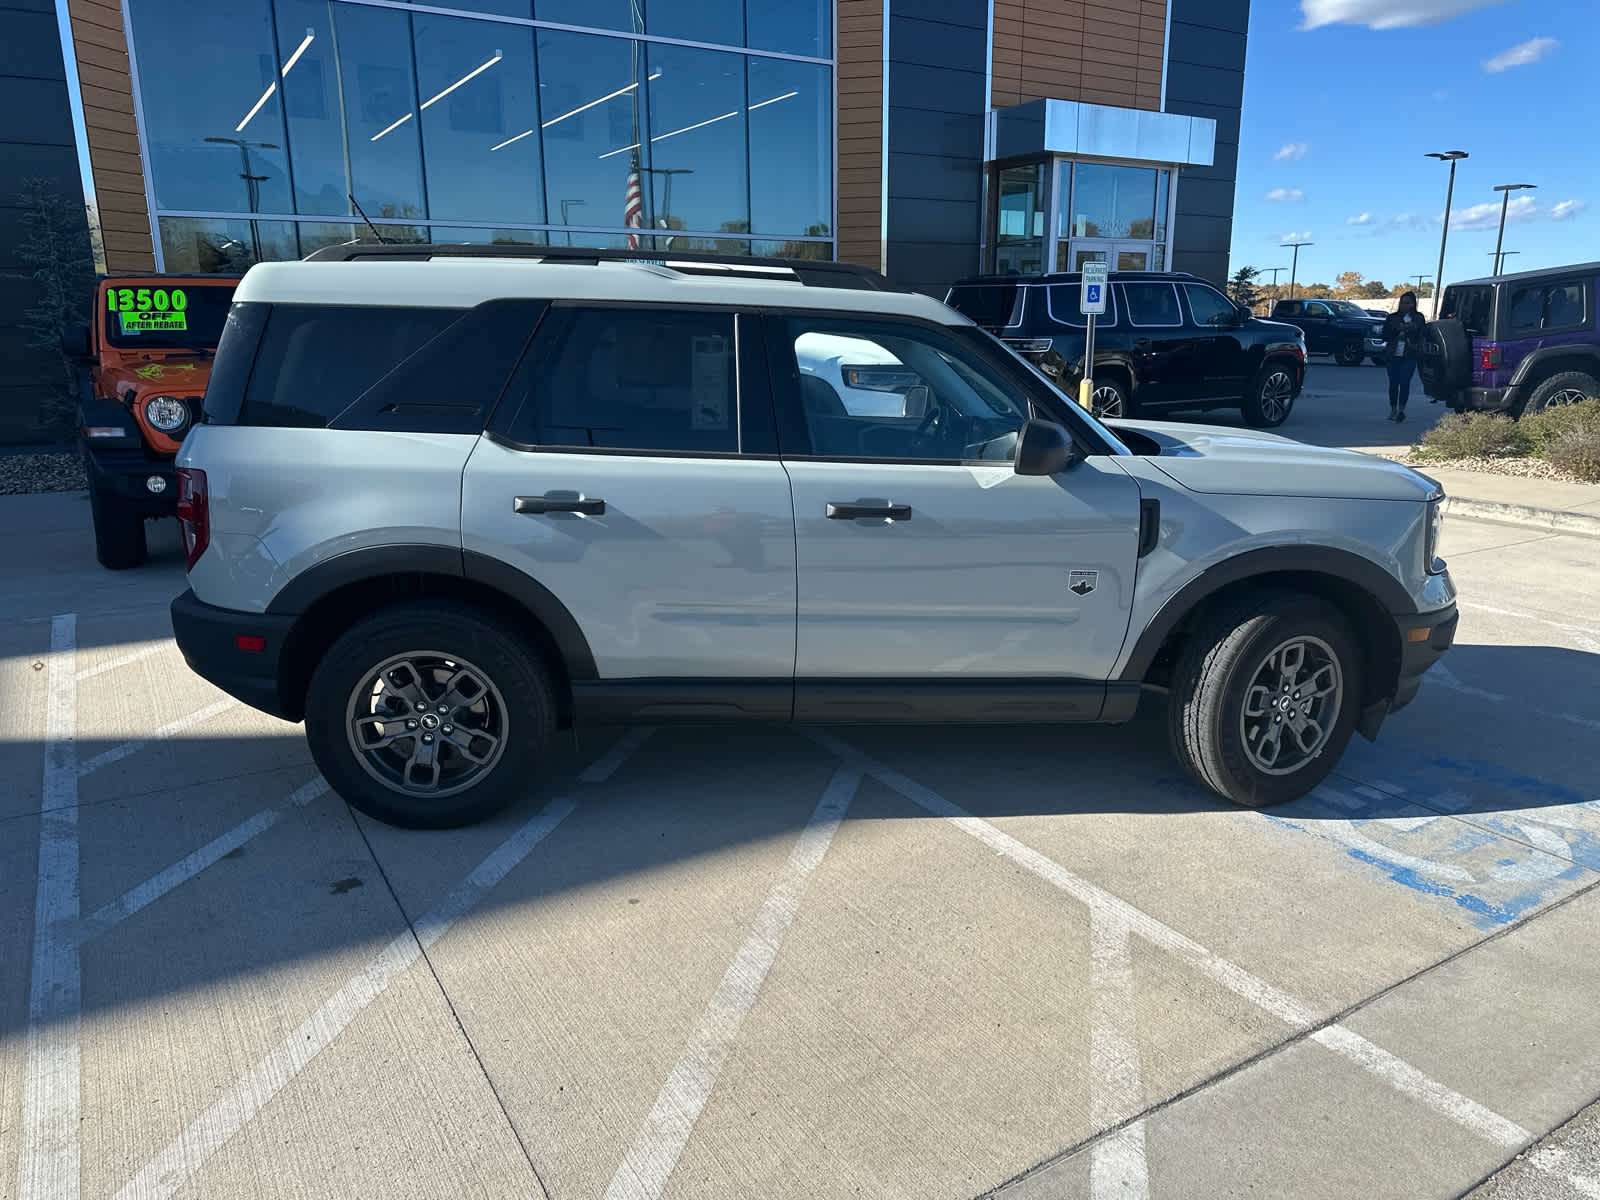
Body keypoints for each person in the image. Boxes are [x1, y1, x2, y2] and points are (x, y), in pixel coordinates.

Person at [1381, 291, 1425, 422]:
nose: (1404, 305)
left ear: (1413, 304)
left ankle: (1401, 409)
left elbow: (1421, 333)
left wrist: (1407, 329)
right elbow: (1385, 334)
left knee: (1404, 382)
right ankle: (1393, 409)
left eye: (1407, 303)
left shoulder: (1418, 317)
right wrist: (1397, 331)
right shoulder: (1392, 317)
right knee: (1393, 383)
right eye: (1402, 302)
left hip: (1409, 355)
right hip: (1393, 355)